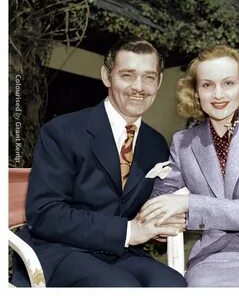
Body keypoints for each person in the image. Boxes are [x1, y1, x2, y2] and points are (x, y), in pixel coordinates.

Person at [12, 38, 187, 287]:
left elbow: (136, 209)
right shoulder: (62, 131)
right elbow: (45, 214)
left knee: (173, 284)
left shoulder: (156, 143)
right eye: (127, 75)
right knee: (120, 288)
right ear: (107, 76)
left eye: (149, 77)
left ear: (158, 82)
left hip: (118, 253)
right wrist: (128, 232)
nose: (139, 87)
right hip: (60, 251)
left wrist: (159, 222)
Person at [139, 44, 239, 287]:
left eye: (228, 83)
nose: (218, 94)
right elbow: (161, 198)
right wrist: (161, 222)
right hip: (212, 258)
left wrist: (186, 203)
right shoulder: (183, 143)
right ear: (196, 92)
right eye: (207, 85)